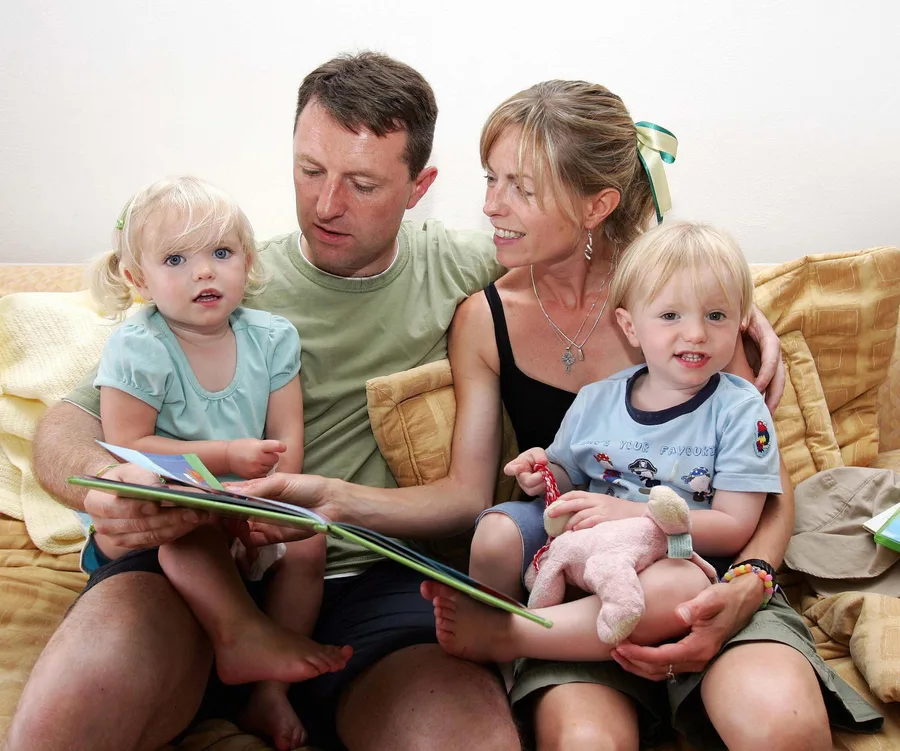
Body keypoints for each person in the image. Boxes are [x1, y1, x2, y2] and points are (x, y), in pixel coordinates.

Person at [6, 57, 787, 751]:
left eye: (364, 183)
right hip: (193, 565)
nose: (325, 204)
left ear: (420, 189)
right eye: (309, 170)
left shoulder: (474, 271)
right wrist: (104, 489)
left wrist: (726, 315)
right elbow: (71, 430)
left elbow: (607, 251)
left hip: (368, 581)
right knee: (63, 720)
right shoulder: (224, 276)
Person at [248, 81, 878, 751]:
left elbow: (766, 492)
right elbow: (467, 496)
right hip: (580, 589)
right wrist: (329, 498)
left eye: (521, 187)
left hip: (712, 566)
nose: (491, 204)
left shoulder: (689, 307)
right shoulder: (484, 316)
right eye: (492, 179)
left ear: (596, 205)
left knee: (783, 726)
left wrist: (748, 587)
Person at [86, 175, 351, 750]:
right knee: (187, 519)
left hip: (249, 503)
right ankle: (239, 635)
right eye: (176, 258)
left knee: (310, 538)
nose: (203, 272)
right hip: (166, 517)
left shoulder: (272, 338)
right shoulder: (140, 346)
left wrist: (271, 498)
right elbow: (127, 444)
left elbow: (287, 439)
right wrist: (226, 458)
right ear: (137, 278)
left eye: (221, 253)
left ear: (248, 262)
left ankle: (269, 693)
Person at [473, 220, 783, 657]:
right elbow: (568, 474)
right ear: (630, 326)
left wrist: (626, 512)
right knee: (496, 533)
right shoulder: (596, 399)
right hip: (590, 546)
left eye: (716, 316)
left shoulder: (740, 409)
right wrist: (542, 471)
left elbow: (734, 528)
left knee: (673, 589)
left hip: (679, 554)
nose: (695, 333)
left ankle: (513, 637)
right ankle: (493, 647)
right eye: (671, 315)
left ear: (739, 324)